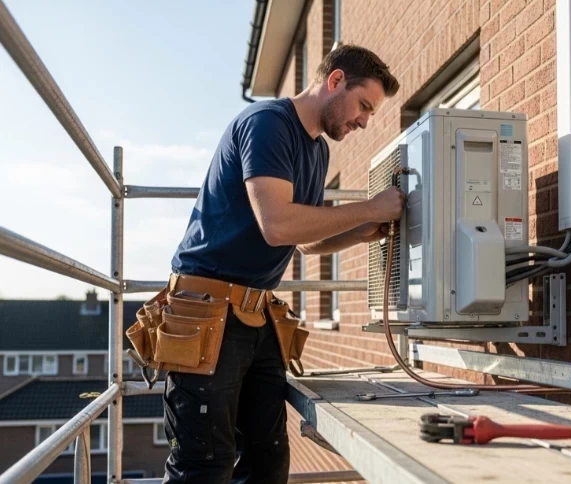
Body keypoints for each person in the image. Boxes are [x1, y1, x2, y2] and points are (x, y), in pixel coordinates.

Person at [161, 44, 404, 483]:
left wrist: (362, 231)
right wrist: (368, 209)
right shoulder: (267, 123)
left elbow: (302, 243)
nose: (364, 121)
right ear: (335, 81)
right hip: (206, 312)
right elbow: (276, 224)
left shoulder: (318, 152)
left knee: (268, 463)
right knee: (203, 467)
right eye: (364, 105)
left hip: (256, 317)